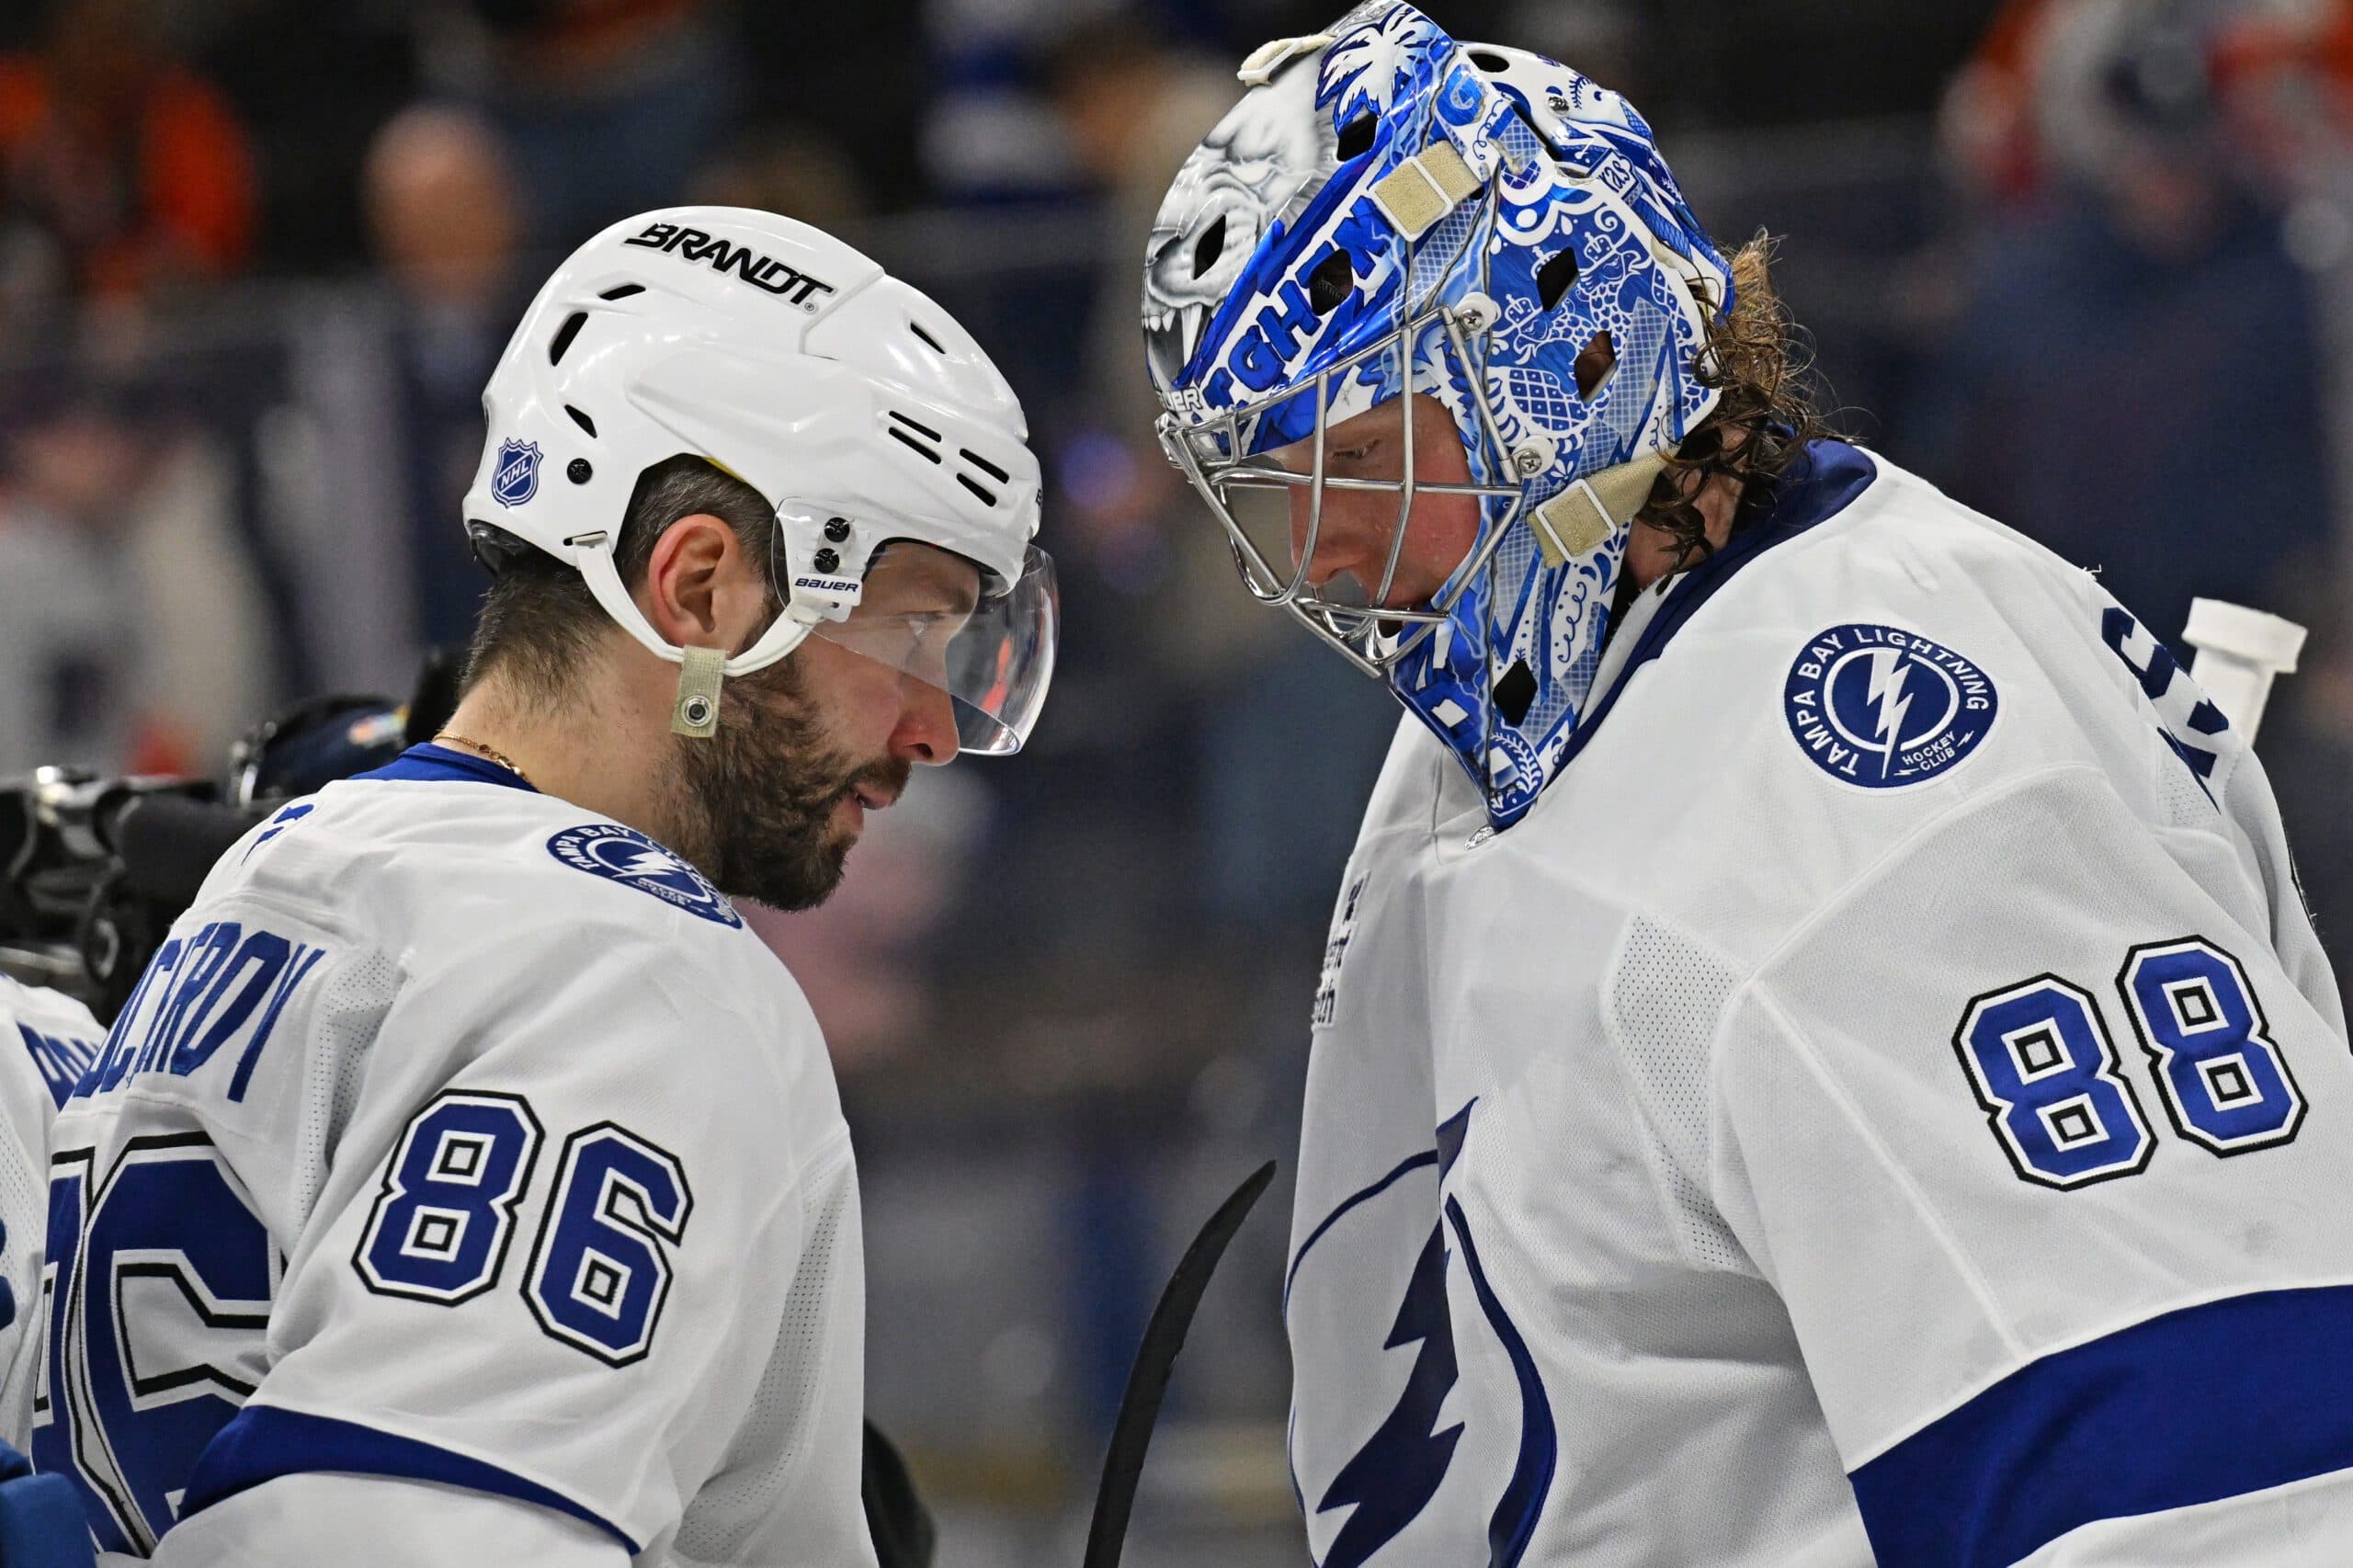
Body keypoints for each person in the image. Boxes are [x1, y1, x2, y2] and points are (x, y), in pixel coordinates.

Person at [1144, 6, 2353, 1564]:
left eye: (1362, 459)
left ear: (1559, 357)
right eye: (1274, 493)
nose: (1319, 559)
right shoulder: (1559, 699)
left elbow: (2223, 1498)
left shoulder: (1887, 800)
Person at [38, 204, 1056, 1565]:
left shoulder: (268, 876)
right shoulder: (629, 972)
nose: (936, 727)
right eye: (914, 626)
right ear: (699, 590)